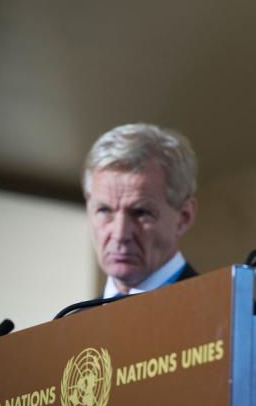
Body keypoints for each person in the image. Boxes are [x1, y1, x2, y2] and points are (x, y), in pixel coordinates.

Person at [83, 123, 199, 297]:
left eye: (141, 213)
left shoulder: (229, 311)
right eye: (104, 211)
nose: (120, 235)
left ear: (184, 217)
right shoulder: (73, 315)